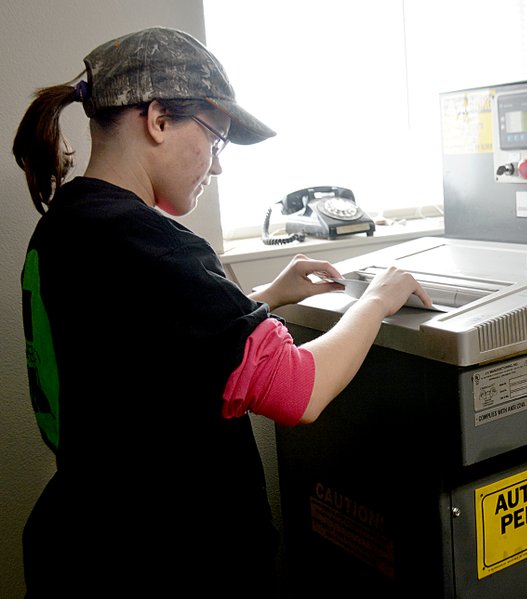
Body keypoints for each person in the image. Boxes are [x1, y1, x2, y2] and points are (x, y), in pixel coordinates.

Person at [12, 26, 431, 597]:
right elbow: (296, 391)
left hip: (84, 541)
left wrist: (271, 296)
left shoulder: (65, 227)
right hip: (172, 559)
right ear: (158, 120)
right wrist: (379, 299)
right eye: (216, 139)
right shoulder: (146, 241)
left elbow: (151, 356)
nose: (218, 166)